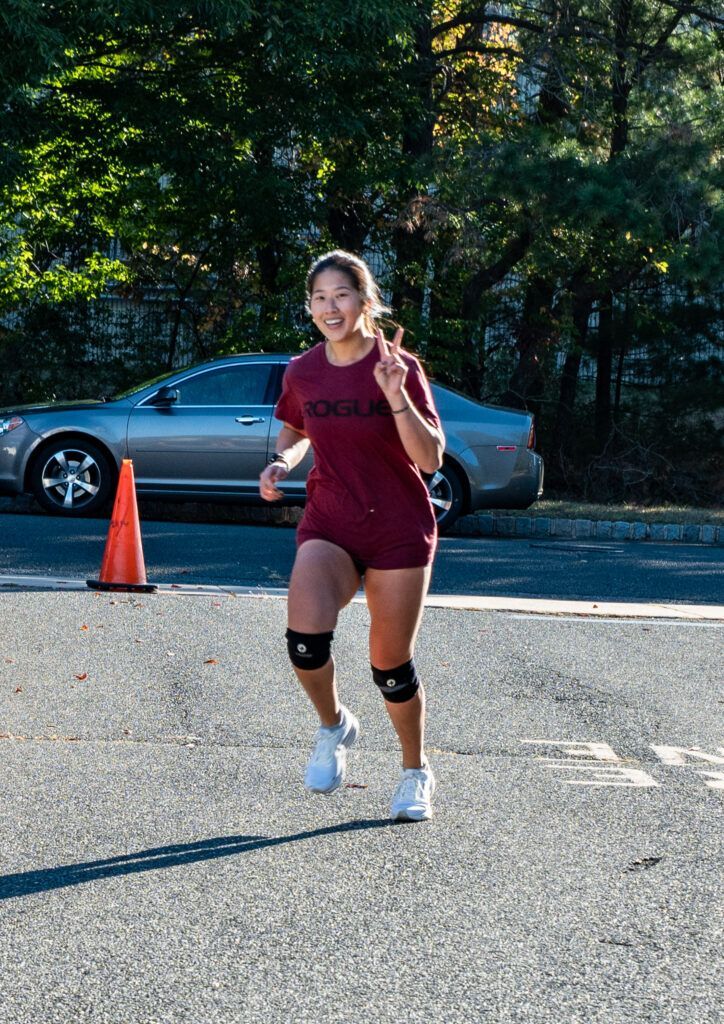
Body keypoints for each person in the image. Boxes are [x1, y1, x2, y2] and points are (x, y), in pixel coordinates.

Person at [258, 250, 444, 822]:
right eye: (319, 298)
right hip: (330, 520)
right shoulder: (303, 371)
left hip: (397, 528)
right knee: (304, 640)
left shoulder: (400, 366)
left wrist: (395, 395)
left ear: (365, 301)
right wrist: (283, 461)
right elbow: (296, 426)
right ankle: (335, 725)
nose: (329, 307)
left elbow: (431, 459)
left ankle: (415, 770)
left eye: (341, 295)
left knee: (390, 665)